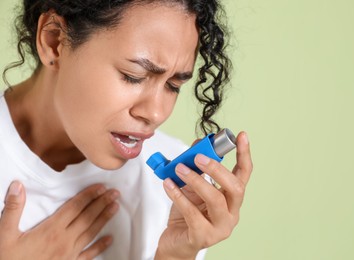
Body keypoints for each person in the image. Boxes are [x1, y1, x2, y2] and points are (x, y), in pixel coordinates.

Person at [0, 0, 253, 259]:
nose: (157, 113)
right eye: (133, 75)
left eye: (173, 86)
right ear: (54, 41)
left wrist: (175, 255)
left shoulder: (179, 194)